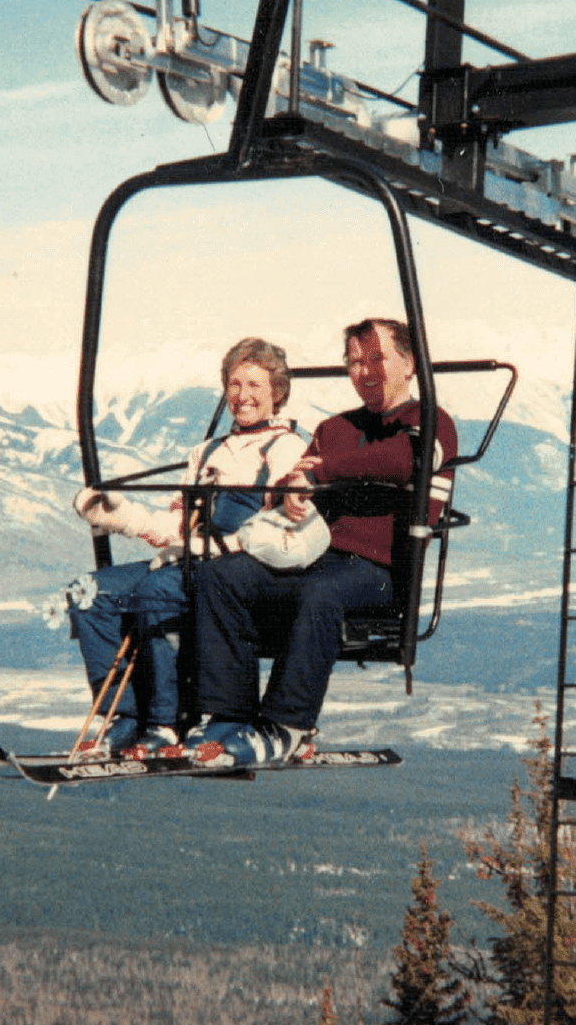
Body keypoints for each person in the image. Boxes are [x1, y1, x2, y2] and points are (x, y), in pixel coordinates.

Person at [186, 316, 457, 766]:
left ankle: (286, 724)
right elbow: (297, 478)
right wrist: (291, 494)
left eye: (377, 359)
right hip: (317, 555)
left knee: (322, 591)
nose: (366, 372)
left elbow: (401, 461)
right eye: (354, 362)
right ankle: (229, 714)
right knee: (223, 576)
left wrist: (322, 471)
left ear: (409, 364)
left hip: (381, 571)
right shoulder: (334, 429)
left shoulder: (431, 423)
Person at [61, 336, 311, 756]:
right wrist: (119, 516)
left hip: (236, 568)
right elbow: (178, 525)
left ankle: (165, 721)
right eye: (234, 384)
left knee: (156, 592)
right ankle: (121, 715)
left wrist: (215, 548)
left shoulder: (285, 449)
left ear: (277, 393)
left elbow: (279, 525)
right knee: (88, 593)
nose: (242, 396)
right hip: (191, 559)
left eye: (255, 385)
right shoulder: (206, 452)